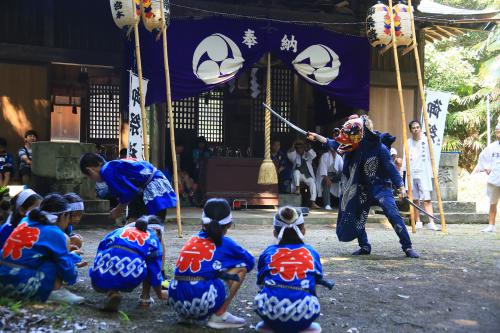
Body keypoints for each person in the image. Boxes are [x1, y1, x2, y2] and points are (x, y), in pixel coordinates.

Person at [307, 115, 419, 258]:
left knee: (392, 214)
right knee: (357, 215)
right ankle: (364, 246)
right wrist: (316, 136)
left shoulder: (380, 148)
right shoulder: (350, 144)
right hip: (362, 188)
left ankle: (407, 246)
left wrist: (401, 187)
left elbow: (391, 169)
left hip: (381, 187)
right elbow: (332, 143)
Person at [168, 198, 255, 329]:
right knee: (240, 268)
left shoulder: (192, 239)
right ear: (229, 223)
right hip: (201, 300)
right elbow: (250, 262)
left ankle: (186, 317)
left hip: (176, 300)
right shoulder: (227, 243)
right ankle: (220, 315)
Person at [0, 193, 85, 304]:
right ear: (64, 215)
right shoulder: (57, 234)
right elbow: (70, 275)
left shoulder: (25, 221)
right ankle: (55, 292)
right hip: (21, 285)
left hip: (2, 281)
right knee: (54, 260)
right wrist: (72, 259)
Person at [254, 206, 325, 333]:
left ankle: (271, 323)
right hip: (303, 312)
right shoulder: (311, 252)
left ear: (275, 232)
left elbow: (260, 282)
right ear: (303, 231)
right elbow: (316, 282)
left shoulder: (269, 252)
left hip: (270, 311)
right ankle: (302, 325)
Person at [89, 215, 167, 311]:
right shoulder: (153, 239)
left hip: (97, 278)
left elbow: (101, 248)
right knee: (149, 262)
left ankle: (113, 292)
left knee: (113, 258)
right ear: (158, 232)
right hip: (129, 277)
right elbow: (154, 270)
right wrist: (160, 293)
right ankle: (145, 298)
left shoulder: (119, 231)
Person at [79, 153, 177, 221]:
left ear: (90, 170)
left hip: (151, 190)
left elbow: (128, 193)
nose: (92, 179)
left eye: (89, 176)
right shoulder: (114, 165)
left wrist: (118, 209)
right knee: (155, 231)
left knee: (138, 227)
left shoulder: (107, 170)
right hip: (157, 185)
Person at [402, 120, 438, 230]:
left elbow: (432, 157)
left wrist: (433, 171)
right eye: (413, 128)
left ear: (420, 129)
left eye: (418, 127)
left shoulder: (426, 141)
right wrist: (403, 177)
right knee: (415, 199)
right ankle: (418, 221)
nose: (416, 129)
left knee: (426, 199)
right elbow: (404, 160)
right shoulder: (407, 142)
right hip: (411, 173)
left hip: (424, 172)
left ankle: (431, 222)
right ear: (410, 130)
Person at [474, 124, 500, 233]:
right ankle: (491, 225)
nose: (499, 134)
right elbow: (483, 157)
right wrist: (485, 168)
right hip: (494, 178)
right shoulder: (492, 147)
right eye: (498, 131)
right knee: (492, 203)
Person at [287, 140, 320, 209]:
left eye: (301, 147)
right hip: (298, 177)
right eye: (298, 148)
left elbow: (314, 155)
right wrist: (294, 143)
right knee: (296, 171)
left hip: (307, 176)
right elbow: (290, 155)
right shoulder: (294, 155)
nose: (299, 149)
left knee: (312, 183)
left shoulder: (307, 154)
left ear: (303, 148)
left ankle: (313, 202)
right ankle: (297, 188)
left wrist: (308, 148)